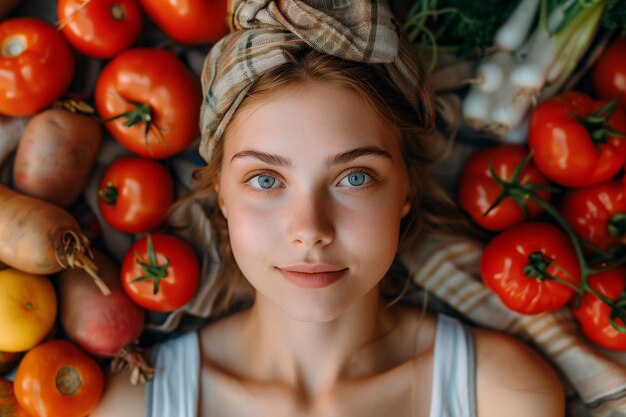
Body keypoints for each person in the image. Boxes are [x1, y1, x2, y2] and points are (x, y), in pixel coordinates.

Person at [91, 1, 565, 416]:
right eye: (265, 180)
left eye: (354, 178)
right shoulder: (131, 405)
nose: (310, 230)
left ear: (405, 191)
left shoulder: (503, 396)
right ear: (222, 198)